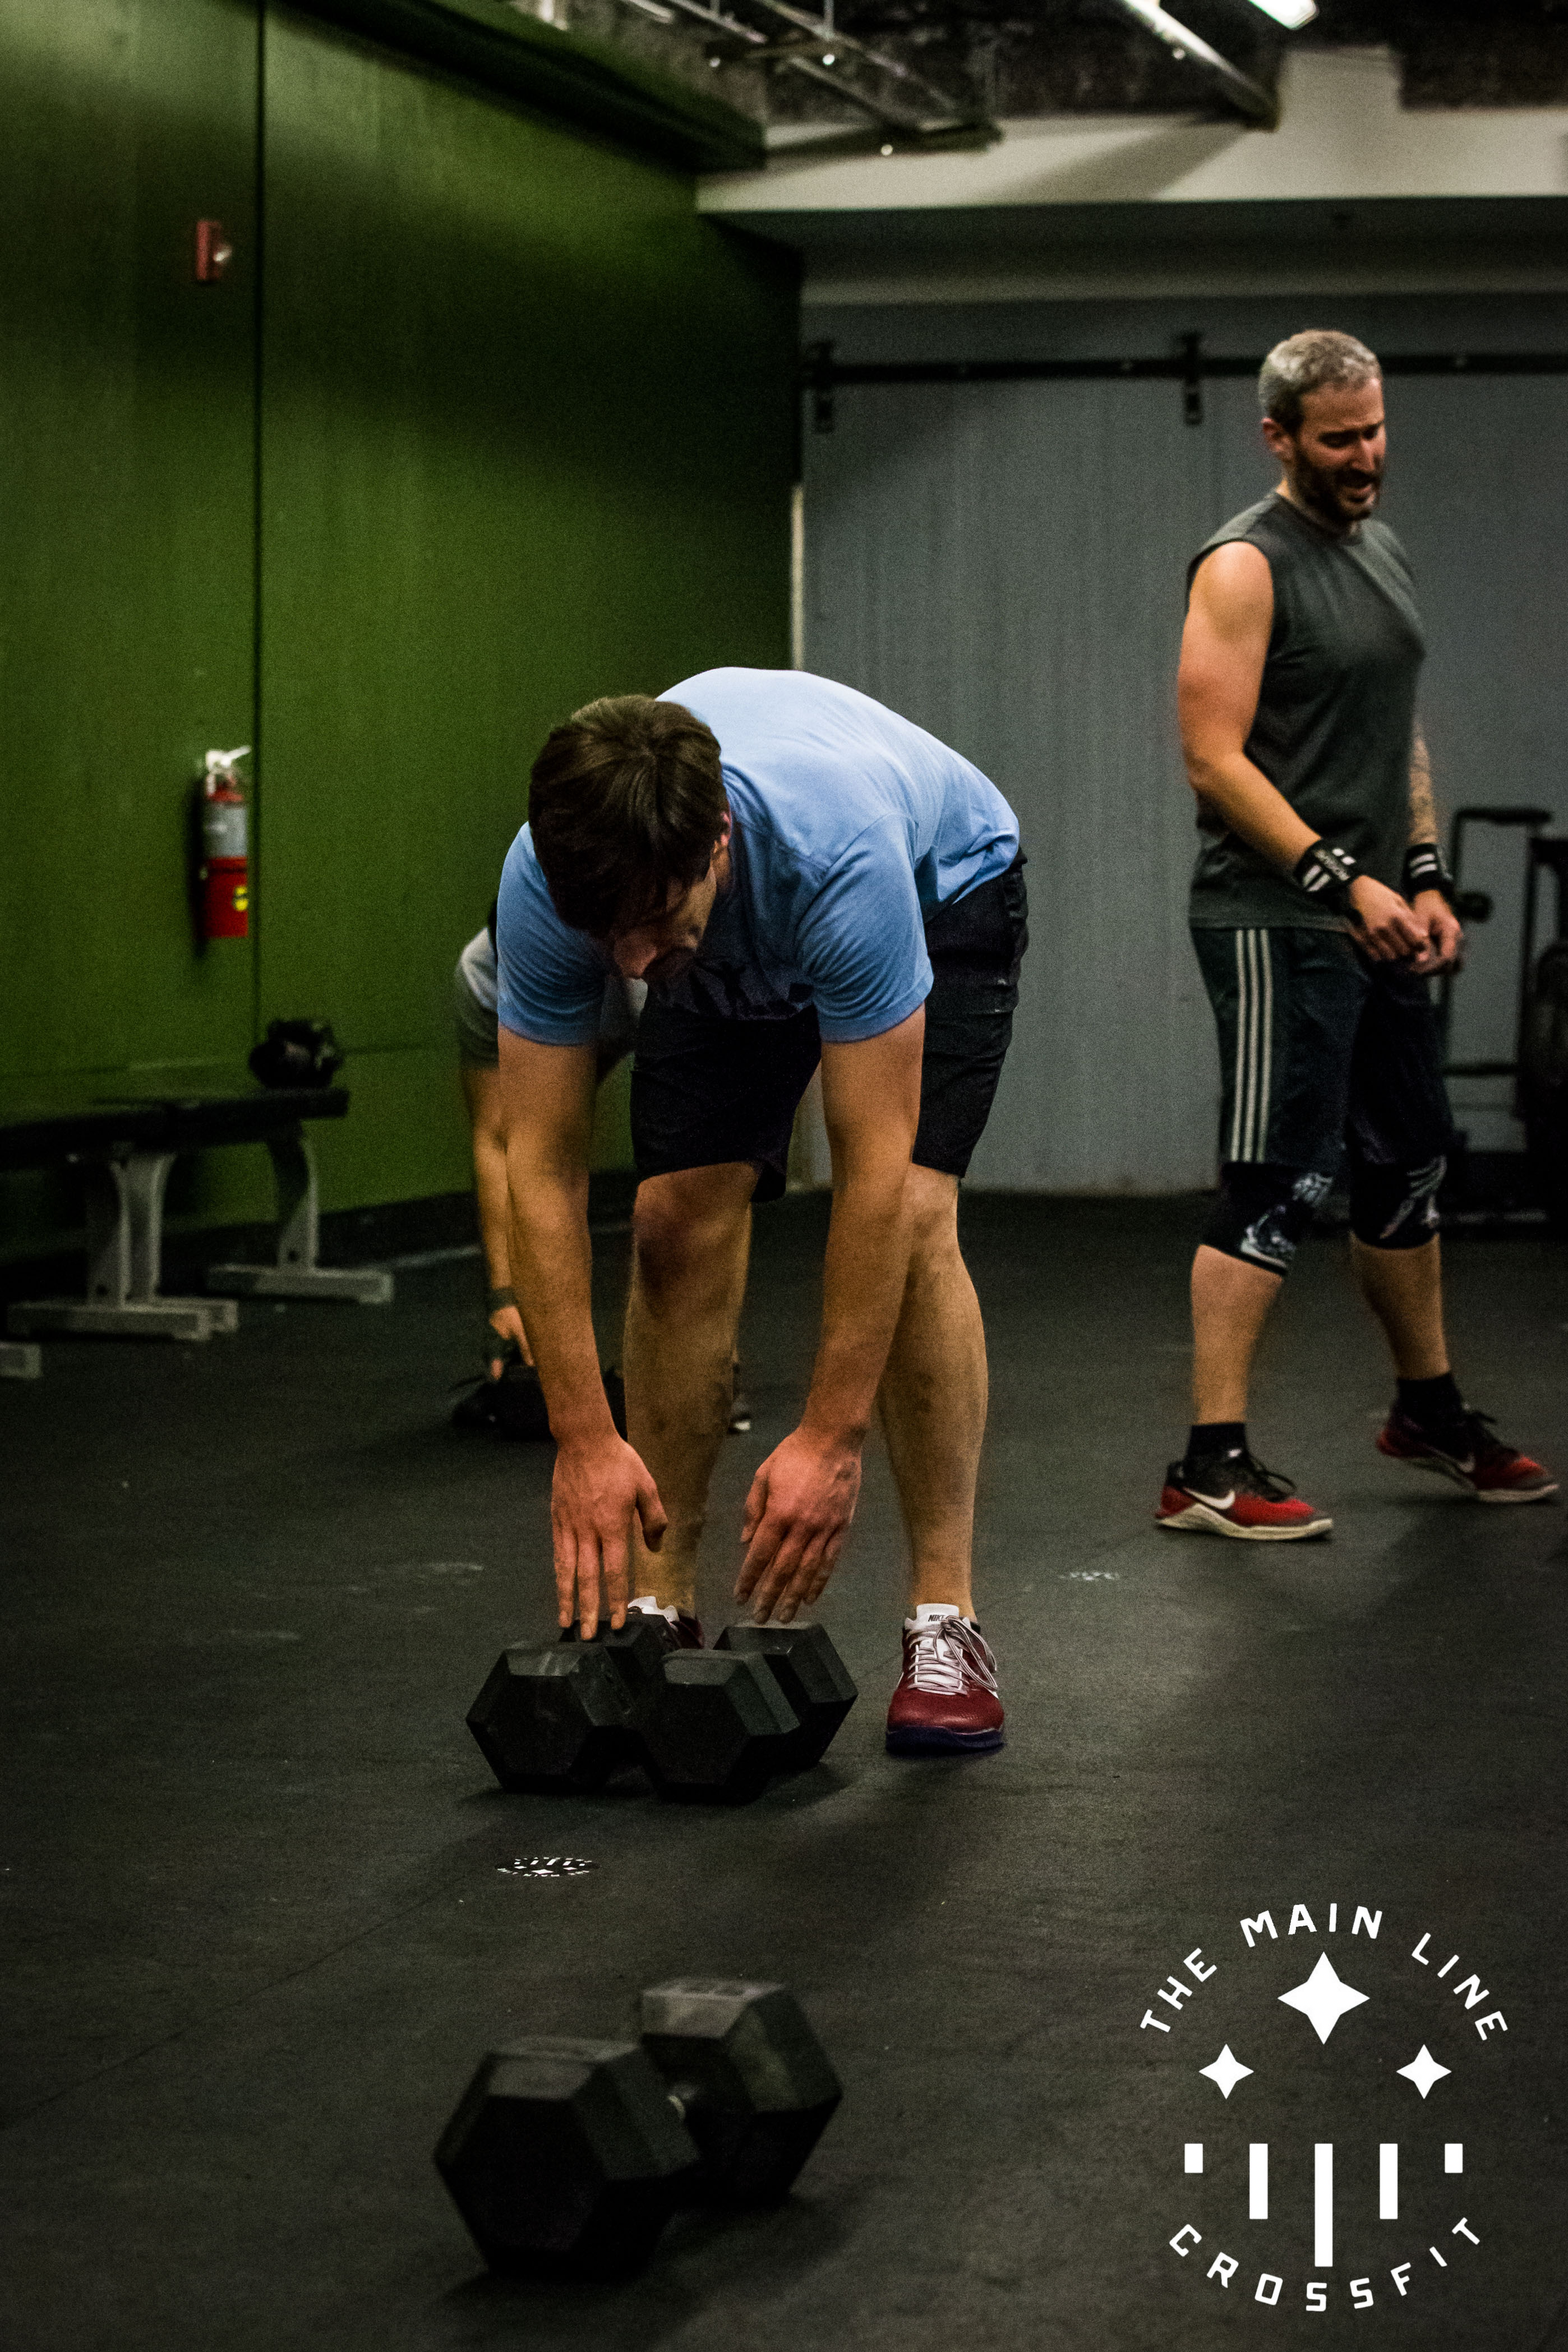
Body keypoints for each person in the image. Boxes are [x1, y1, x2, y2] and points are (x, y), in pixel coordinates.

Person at [495, 668, 1027, 1755]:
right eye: (609, 938)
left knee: (919, 1219)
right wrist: (582, 1435)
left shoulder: (841, 859)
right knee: (672, 1224)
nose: (634, 967)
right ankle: (660, 1603)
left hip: (942, 889)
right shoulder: (560, 883)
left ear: (718, 844)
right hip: (740, 930)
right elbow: (540, 1167)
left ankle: (945, 1618)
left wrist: (832, 1435)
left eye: (652, 923)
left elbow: (873, 1173)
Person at [1156, 328, 1556, 1541]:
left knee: (1409, 1161)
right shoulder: (1244, 565)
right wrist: (1342, 879)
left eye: (1376, 429)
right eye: (1339, 439)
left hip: (1377, 916)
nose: (1367, 455)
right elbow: (1212, 759)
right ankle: (1208, 1465)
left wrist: (1420, 873)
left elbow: (1396, 730)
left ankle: (1426, 1410)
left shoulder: (1380, 549)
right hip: (1277, 916)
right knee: (1276, 1178)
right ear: (1279, 437)